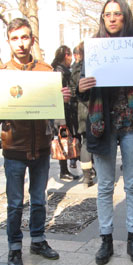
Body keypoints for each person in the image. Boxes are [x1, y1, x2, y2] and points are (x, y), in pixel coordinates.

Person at [0, 18, 70, 265]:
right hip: (14, 148)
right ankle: (13, 247)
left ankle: (38, 240)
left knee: (38, 199)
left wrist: (62, 98)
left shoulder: (46, 71)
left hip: (41, 147)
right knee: (14, 202)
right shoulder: (0, 74)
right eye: (15, 38)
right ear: (9, 41)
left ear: (32, 39)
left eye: (25, 37)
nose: (20, 43)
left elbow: (54, 109)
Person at [77, 0, 133, 265]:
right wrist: (81, 88)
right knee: (104, 187)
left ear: (125, 17)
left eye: (117, 14)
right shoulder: (93, 49)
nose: (111, 18)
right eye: (107, 14)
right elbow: (82, 92)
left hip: (132, 124)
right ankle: (106, 239)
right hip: (103, 126)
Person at [51, 45, 80, 181]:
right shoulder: (60, 72)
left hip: (64, 111)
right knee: (63, 139)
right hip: (62, 112)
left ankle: (65, 168)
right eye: (70, 56)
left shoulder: (60, 70)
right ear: (66, 56)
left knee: (65, 138)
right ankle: (63, 170)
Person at [71, 42, 95, 187]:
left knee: (86, 142)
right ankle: (89, 174)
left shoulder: (75, 68)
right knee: (89, 142)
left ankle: (87, 177)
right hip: (91, 108)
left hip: (81, 110)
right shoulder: (91, 67)